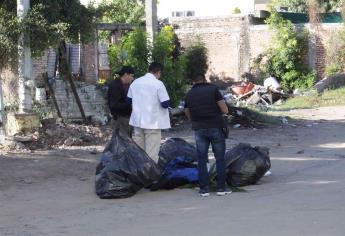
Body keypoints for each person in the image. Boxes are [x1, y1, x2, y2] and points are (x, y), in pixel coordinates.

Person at [184, 74, 231, 197]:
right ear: (205, 80)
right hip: (215, 127)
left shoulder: (189, 94)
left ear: (194, 81)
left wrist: (193, 120)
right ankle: (221, 188)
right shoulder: (213, 89)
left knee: (201, 159)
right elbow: (224, 109)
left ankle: (204, 189)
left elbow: (187, 111)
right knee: (220, 158)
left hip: (199, 129)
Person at [127, 62, 170, 163]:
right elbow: (165, 103)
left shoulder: (135, 82)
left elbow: (128, 101)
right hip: (153, 123)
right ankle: (150, 177)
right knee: (151, 154)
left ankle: (139, 175)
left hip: (138, 123)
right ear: (158, 72)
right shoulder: (158, 84)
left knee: (139, 153)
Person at [107, 66, 134, 137]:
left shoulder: (127, 85)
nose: (132, 78)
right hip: (120, 118)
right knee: (122, 142)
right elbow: (113, 104)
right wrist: (130, 105)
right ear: (125, 75)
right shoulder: (115, 86)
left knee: (127, 142)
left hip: (127, 118)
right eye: (131, 76)